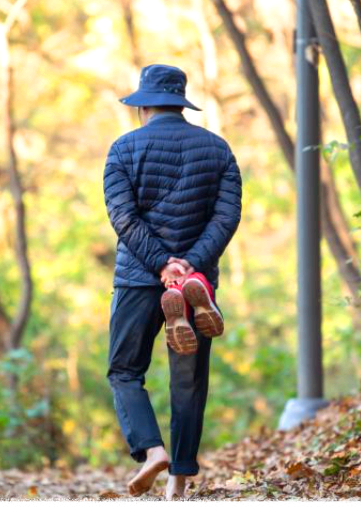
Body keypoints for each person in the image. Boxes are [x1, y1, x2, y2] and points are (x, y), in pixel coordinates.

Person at [102, 64, 242, 499]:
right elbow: (227, 216)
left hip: (138, 280)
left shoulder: (122, 149)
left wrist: (163, 265)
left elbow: (122, 216)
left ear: (143, 105)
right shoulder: (218, 149)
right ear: (181, 102)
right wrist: (190, 266)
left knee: (125, 370)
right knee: (188, 379)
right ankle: (178, 480)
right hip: (196, 283)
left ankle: (152, 451)